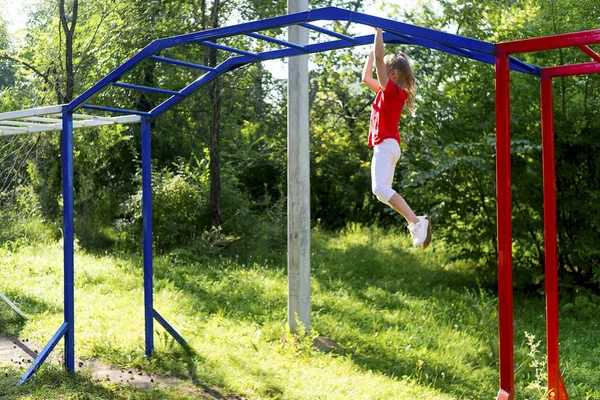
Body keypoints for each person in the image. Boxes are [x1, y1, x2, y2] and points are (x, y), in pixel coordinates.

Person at [361, 28, 431, 248]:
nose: (379, 67)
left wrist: (378, 32)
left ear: (392, 75)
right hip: (389, 146)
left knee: (379, 189)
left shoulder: (391, 91)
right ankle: (415, 221)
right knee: (383, 192)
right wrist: (371, 53)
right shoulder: (387, 92)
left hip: (385, 146)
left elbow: (380, 60)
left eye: (384, 68)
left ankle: (416, 221)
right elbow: (365, 77)